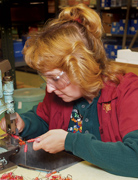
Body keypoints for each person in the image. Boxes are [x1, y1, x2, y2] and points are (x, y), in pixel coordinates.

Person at [1, 3, 138, 177]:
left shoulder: (128, 92)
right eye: (46, 79)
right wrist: (24, 123)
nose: (49, 88)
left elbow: (135, 158)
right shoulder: (60, 94)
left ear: (82, 67)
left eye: (56, 78)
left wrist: (70, 142)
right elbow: (44, 120)